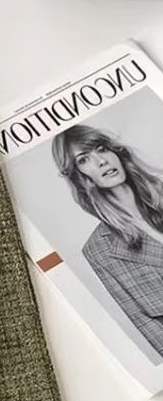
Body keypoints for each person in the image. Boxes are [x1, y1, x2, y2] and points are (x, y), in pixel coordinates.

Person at [52, 123, 163, 355]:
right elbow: (146, 324)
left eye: (102, 149)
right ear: (79, 176)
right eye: (84, 159)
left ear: (115, 152)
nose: (101, 161)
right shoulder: (98, 250)